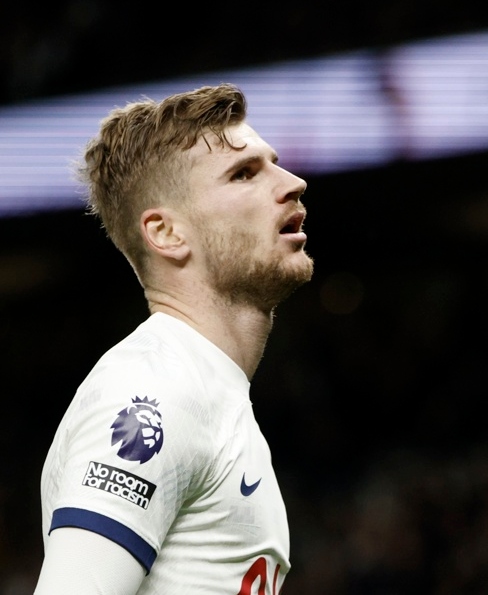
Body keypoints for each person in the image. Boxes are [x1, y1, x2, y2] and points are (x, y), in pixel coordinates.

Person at [33, 83, 312, 594]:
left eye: (274, 164)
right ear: (166, 233)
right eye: (244, 173)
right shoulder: (153, 392)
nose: (294, 183)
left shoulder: (208, 392)